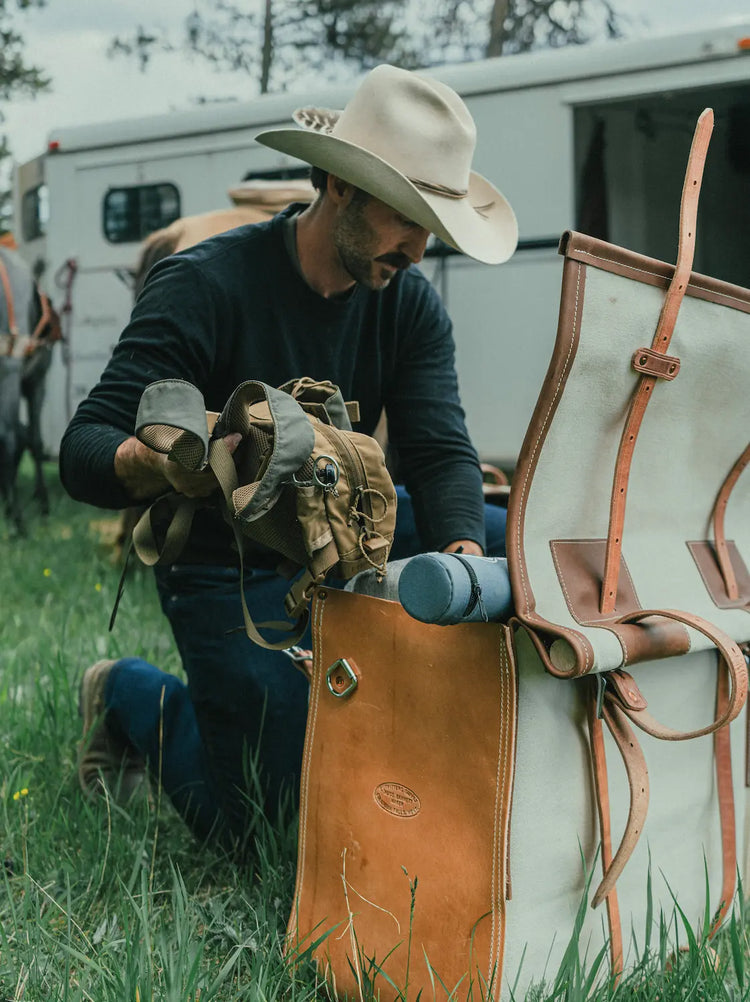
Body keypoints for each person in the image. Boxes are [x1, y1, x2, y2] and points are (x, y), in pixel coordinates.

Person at [60, 64, 518, 855]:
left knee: (521, 539)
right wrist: (162, 461)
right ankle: (127, 694)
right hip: (222, 564)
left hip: (345, 528)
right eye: (405, 216)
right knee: (273, 827)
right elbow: (83, 449)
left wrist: (464, 571)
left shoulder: (407, 302)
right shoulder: (205, 284)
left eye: (431, 222)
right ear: (340, 187)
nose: (418, 245)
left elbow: (443, 450)